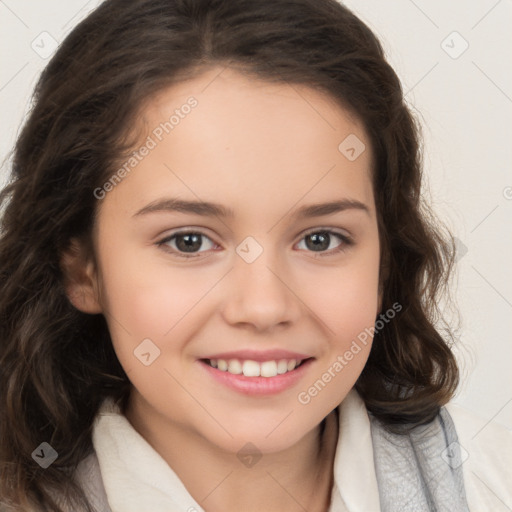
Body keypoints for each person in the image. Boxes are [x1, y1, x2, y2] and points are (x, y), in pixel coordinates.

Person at [0, 0, 510, 511]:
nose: (264, 307)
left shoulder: (489, 484)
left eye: (320, 239)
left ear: (385, 258)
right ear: (83, 267)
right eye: (189, 241)